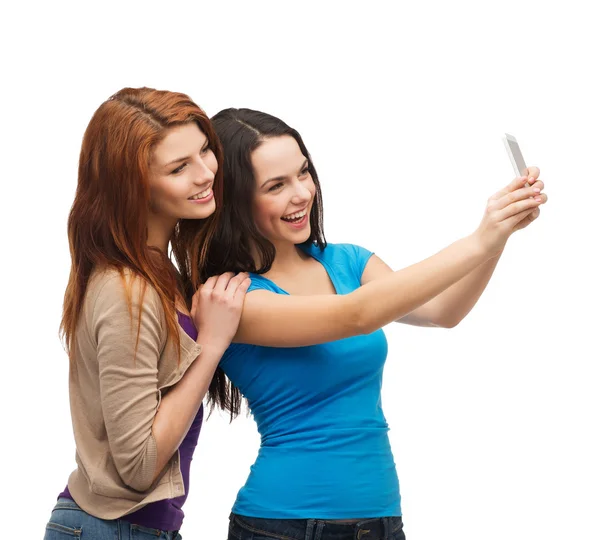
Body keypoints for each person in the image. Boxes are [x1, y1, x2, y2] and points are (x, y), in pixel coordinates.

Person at [198, 108, 547, 540]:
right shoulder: (231, 297)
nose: (302, 193)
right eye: (276, 186)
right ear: (236, 200)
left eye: (303, 173)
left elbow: (443, 311)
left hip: (381, 519)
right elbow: (357, 314)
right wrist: (479, 239)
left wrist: (498, 236)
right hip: (284, 526)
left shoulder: (347, 261)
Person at [43, 88, 250, 540]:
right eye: (179, 168)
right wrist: (211, 345)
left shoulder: (161, 272)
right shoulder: (127, 289)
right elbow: (138, 466)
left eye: (204, 151)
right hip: (111, 529)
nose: (205, 174)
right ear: (132, 185)